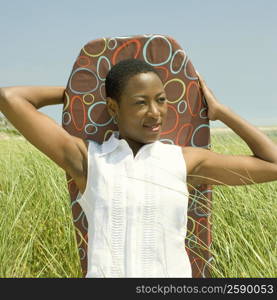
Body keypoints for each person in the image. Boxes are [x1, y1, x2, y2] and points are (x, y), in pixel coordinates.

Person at [0, 58, 277, 278]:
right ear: (112, 107)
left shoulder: (184, 161)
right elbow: (10, 98)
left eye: (161, 99)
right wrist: (76, 95)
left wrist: (220, 111)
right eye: (140, 103)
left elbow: (272, 164)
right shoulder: (89, 161)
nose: (155, 112)